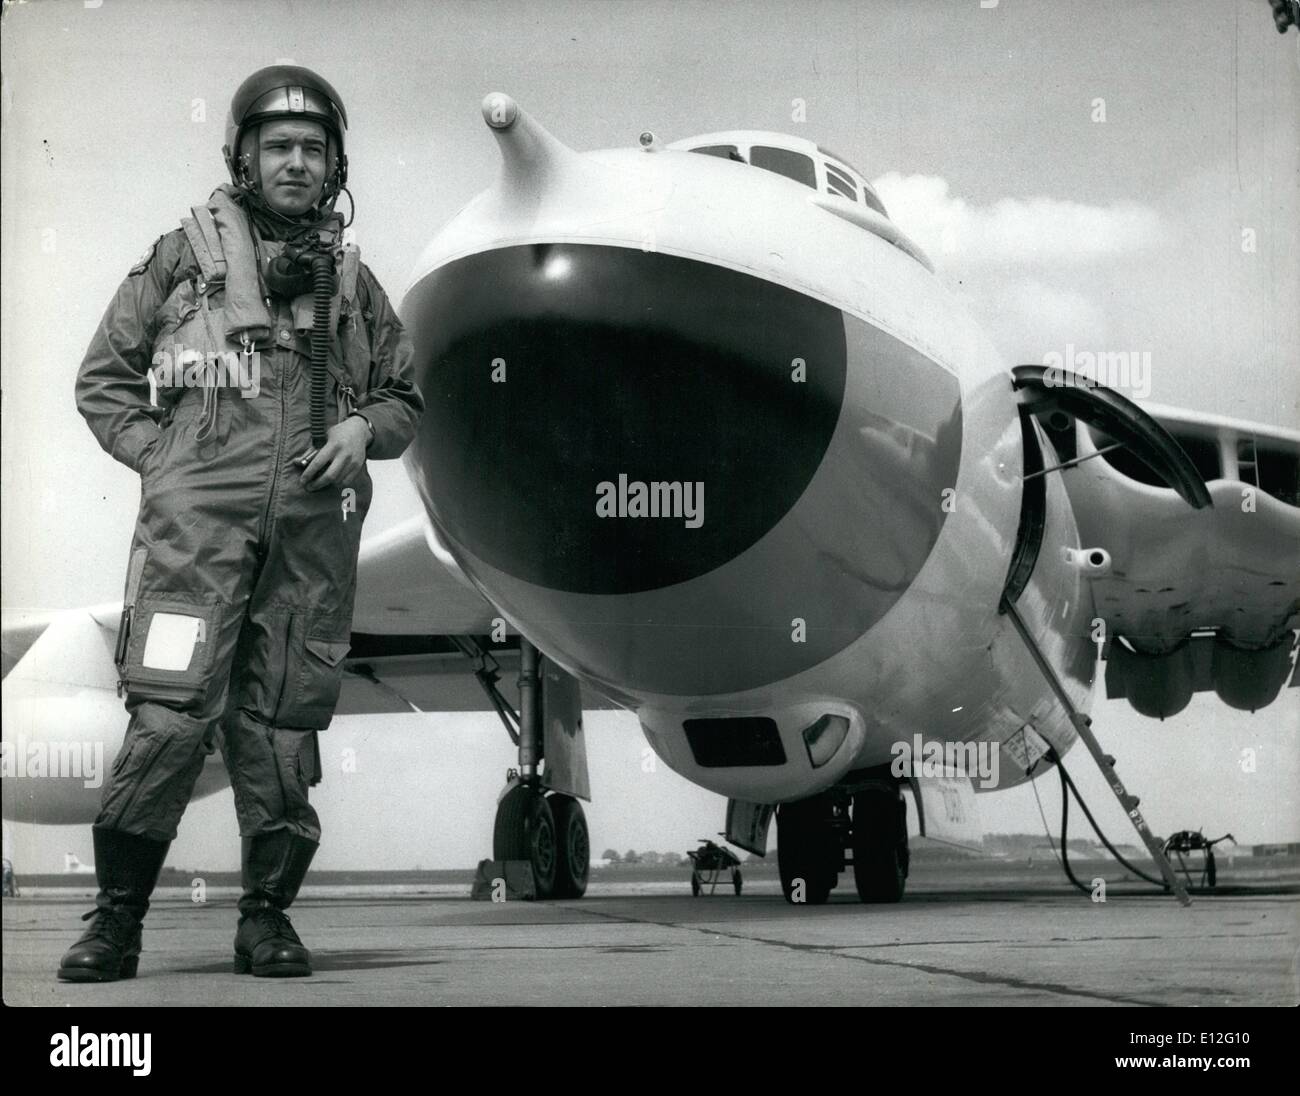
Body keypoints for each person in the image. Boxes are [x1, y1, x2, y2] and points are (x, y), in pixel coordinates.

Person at [60, 65, 423, 981]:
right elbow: (104, 381)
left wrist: (356, 426)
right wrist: (165, 463)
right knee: (171, 718)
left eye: (313, 149)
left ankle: (266, 919)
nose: (296, 163)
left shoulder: (356, 284)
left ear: (334, 164)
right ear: (244, 158)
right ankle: (116, 922)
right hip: (196, 541)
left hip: (310, 542)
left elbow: (403, 400)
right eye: (279, 148)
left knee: (277, 726)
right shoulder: (184, 259)